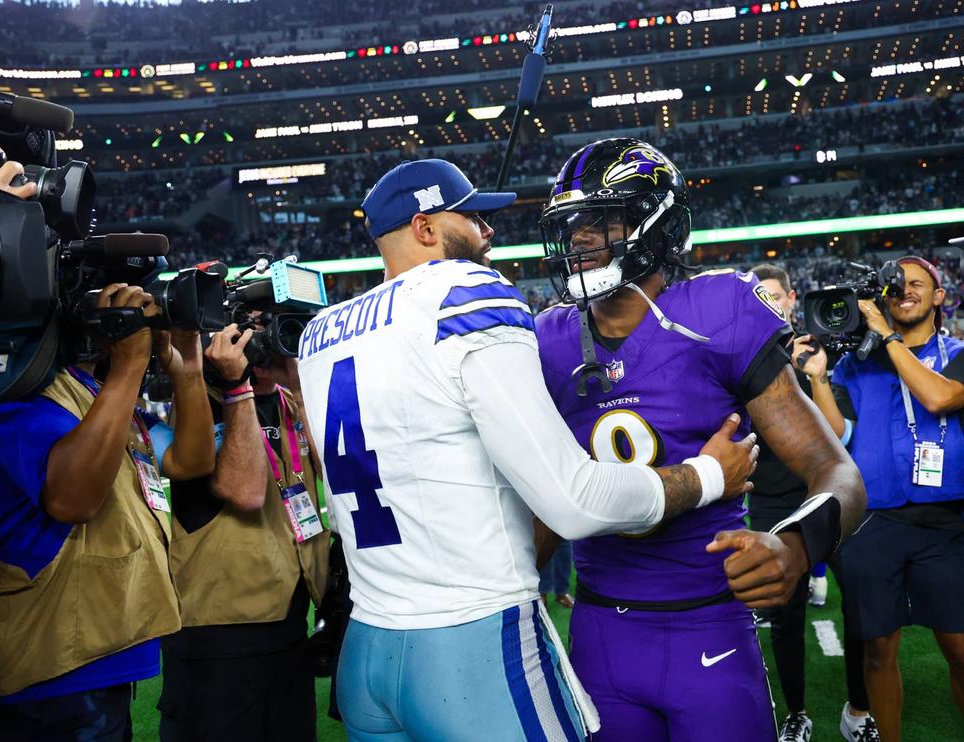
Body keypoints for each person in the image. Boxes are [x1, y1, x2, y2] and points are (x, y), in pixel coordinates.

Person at [295, 158, 760, 741]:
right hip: (469, 643)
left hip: (367, 643)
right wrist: (708, 475)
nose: (488, 231)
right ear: (425, 227)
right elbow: (575, 502)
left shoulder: (320, 332)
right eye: (472, 218)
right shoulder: (464, 293)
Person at [532, 139, 867, 742]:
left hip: (710, 622)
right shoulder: (546, 340)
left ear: (657, 224)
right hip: (601, 628)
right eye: (573, 224)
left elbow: (836, 471)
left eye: (601, 221)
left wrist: (795, 546)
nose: (580, 239)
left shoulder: (719, 308)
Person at [0, 284, 215, 739]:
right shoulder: (14, 388)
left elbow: (190, 461)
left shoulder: (95, 392)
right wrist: (128, 367)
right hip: (47, 665)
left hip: (97, 646)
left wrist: (188, 371)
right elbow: (72, 500)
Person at [795, 256, 964, 742]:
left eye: (918, 283)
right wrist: (819, 376)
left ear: (939, 296)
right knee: (878, 651)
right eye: (897, 286)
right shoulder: (857, 365)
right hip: (871, 523)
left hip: (938, 524)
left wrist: (886, 336)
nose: (906, 291)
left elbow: (941, 398)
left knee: (960, 649)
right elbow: (838, 434)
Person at [158, 322, 330, 742]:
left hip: (290, 623)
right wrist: (238, 387)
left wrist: (299, 385)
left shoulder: (289, 401)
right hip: (219, 638)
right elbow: (246, 491)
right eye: (255, 326)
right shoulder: (201, 403)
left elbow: (335, 473)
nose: (267, 338)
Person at [748, 264, 877, 742]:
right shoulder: (742, 360)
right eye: (759, 297)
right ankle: (796, 713)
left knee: (860, 605)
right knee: (785, 615)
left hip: (829, 497)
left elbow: (839, 434)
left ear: (792, 298)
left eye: (775, 296)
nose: (769, 304)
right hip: (771, 501)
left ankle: (858, 709)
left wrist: (815, 374)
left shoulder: (821, 348)